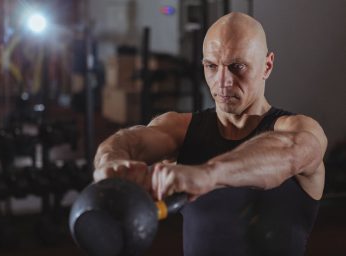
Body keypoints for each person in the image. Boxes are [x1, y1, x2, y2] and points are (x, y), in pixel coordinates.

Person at [94, 12, 327, 256]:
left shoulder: (300, 130)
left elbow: (289, 153)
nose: (222, 81)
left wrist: (207, 175)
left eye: (237, 67)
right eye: (212, 66)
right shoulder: (180, 129)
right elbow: (129, 141)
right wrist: (111, 162)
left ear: (267, 66)